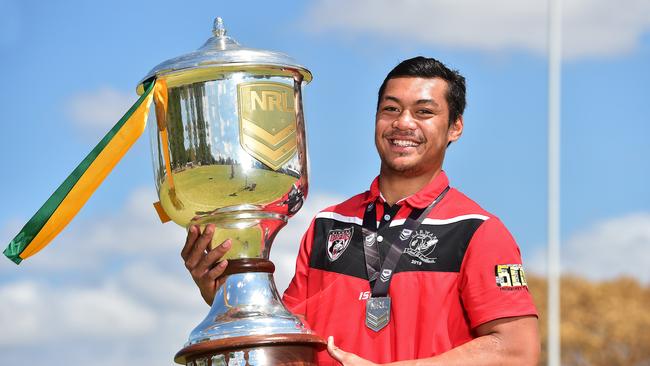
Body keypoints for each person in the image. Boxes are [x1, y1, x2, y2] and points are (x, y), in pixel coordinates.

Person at [181, 57, 540, 365]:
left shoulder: (477, 230)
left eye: (424, 112)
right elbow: (289, 342)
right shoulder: (329, 224)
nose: (403, 123)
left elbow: (516, 351)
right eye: (391, 108)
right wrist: (227, 297)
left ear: (455, 127)